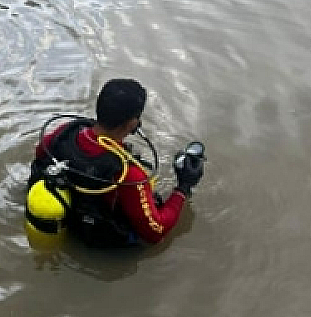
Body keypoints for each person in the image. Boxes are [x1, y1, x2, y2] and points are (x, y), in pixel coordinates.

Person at [27, 78, 205, 247]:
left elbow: (40, 154)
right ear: (131, 123)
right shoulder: (128, 173)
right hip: (96, 236)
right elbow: (155, 232)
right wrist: (183, 187)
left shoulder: (65, 131)